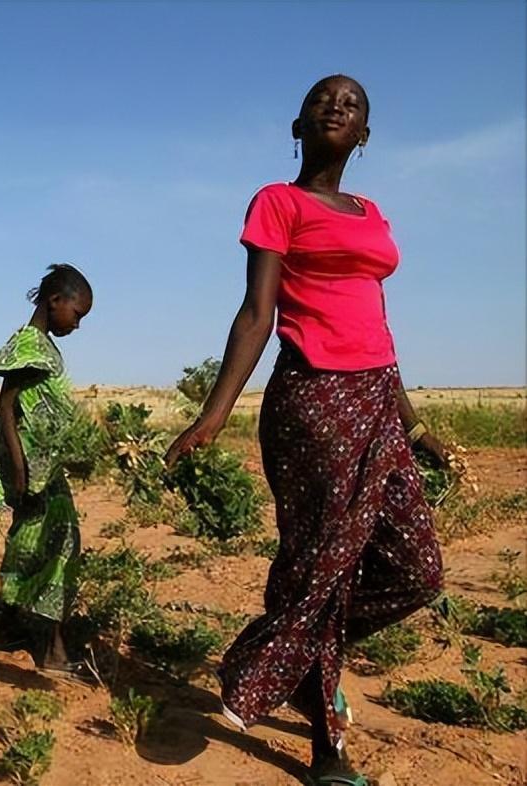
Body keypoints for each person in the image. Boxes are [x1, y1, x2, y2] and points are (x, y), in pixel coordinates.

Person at [164, 76, 448, 786]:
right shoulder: (278, 202)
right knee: (325, 565)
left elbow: (376, 327)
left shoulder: (370, 212)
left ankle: (275, 659)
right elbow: (256, 314)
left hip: (378, 397)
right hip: (315, 399)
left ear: (366, 135)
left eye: (352, 104)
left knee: (418, 570)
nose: (337, 107)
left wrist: (414, 425)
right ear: (299, 123)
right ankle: (326, 749)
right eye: (324, 99)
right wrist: (214, 413)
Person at [0, 263, 93, 673]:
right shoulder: (30, 347)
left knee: (29, 541)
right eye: (77, 314)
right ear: (55, 301)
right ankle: (51, 651)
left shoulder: (40, 345)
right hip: (34, 470)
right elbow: (6, 406)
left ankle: (9, 626)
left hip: (43, 466)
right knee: (59, 546)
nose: (78, 324)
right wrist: (19, 468)